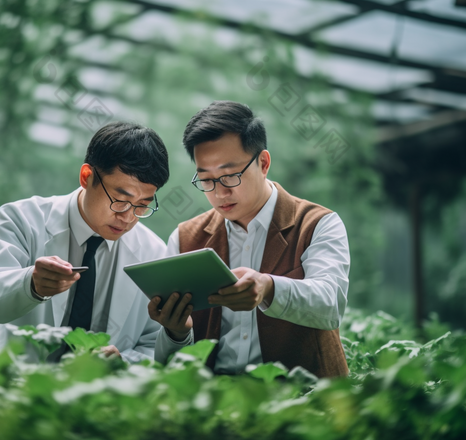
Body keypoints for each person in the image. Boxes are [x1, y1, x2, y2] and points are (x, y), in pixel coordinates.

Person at [150, 101, 350, 378]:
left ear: (264, 163)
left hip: (302, 399)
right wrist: (176, 332)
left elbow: (331, 305)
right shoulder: (185, 238)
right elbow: (167, 362)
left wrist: (268, 288)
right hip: (213, 400)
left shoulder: (316, 224)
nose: (219, 193)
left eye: (229, 176)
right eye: (206, 180)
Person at [0, 121, 169, 363]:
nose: (128, 218)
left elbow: (153, 342)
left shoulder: (155, 252)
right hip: (13, 386)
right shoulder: (22, 218)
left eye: (143, 205)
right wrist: (31, 284)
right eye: (120, 200)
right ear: (86, 176)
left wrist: (125, 361)